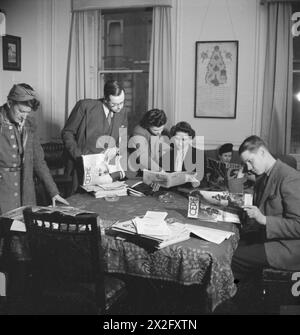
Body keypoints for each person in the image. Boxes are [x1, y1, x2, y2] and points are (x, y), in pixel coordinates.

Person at [232, 135, 300, 282]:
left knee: (233, 257)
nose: (249, 167)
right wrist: (239, 178)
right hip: (269, 237)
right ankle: (242, 289)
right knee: (229, 245)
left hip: (288, 247)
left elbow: (298, 225)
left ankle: (233, 298)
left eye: (250, 161)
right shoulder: (263, 175)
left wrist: (263, 219)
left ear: (262, 152)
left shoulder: (290, 178)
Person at [0, 83, 68, 214]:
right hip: (3, 191)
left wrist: (53, 192)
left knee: (26, 230)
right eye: (20, 111)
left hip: (26, 190)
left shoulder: (30, 124)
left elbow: (39, 161)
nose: (24, 117)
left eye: (27, 113)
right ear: (9, 103)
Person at [62, 80, 128, 194]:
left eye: (122, 102)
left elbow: (123, 138)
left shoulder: (123, 112)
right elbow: (67, 132)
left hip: (108, 170)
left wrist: (117, 149)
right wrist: (79, 157)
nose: (119, 107)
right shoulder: (85, 106)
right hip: (82, 168)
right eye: (114, 104)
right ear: (105, 99)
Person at [128, 109, 169, 174]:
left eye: (161, 129)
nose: (159, 132)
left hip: (152, 169)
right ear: (147, 125)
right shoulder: (138, 131)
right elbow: (142, 157)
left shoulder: (162, 132)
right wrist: (159, 170)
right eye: (155, 130)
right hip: (136, 172)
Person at [163, 121, 202, 187]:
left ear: (190, 140)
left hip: (188, 190)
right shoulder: (167, 155)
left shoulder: (199, 155)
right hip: (169, 190)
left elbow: (202, 179)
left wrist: (195, 181)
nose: (180, 143)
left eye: (183, 139)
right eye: (177, 139)